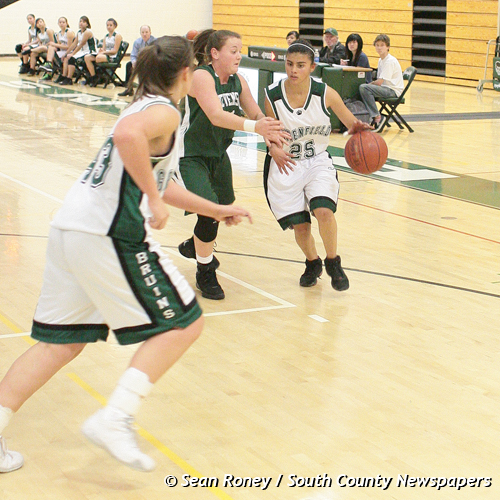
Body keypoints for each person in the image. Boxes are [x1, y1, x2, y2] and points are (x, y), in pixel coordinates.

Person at [0, 35, 251, 474]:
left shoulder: (143, 105)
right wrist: (151, 198)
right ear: (186, 73)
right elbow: (127, 138)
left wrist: (214, 209)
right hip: (109, 231)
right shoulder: (164, 111)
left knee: (61, 343)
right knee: (184, 324)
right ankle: (114, 418)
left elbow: (161, 179)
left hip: (71, 227)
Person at [177, 29, 287, 301]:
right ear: (215, 53)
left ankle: (195, 245)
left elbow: (255, 113)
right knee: (210, 212)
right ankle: (205, 271)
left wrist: (270, 133)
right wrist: (255, 127)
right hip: (190, 155)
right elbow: (216, 115)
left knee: (220, 209)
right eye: (233, 50)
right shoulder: (202, 76)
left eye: (240, 51)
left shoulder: (238, 81)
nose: (239, 56)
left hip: (218, 155)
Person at [264, 40, 370, 290]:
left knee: (324, 211)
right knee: (301, 226)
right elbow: (270, 131)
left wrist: (362, 133)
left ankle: (333, 262)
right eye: (290, 64)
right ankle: (312, 262)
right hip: (286, 163)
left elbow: (351, 123)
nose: (293, 70)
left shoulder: (325, 93)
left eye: (300, 65)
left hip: (317, 161)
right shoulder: (273, 94)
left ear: (312, 67)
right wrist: (273, 149)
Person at [358, 34, 404, 132]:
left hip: (392, 91)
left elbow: (379, 82)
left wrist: (369, 85)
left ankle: (377, 116)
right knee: (363, 88)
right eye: (377, 45)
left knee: (364, 88)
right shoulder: (381, 60)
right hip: (386, 88)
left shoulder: (389, 61)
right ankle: (371, 116)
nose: (379, 48)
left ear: (388, 47)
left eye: (382, 45)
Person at [118, 25, 156, 96]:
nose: (144, 34)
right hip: (141, 62)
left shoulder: (155, 42)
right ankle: (129, 89)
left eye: (146, 32)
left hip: (152, 62)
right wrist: (134, 62)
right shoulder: (137, 42)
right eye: (143, 32)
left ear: (150, 33)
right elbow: (133, 55)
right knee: (129, 65)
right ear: (140, 33)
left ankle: (150, 90)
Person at [84, 18, 123, 87]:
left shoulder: (117, 36)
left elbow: (115, 51)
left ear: (115, 26)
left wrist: (104, 52)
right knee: (87, 57)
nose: (109, 27)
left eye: (110, 25)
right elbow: (103, 48)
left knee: (98, 58)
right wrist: (100, 50)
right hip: (104, 55)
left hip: (113, 56)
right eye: (107, 25)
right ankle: (94, 77)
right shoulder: (106, 36)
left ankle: (103, 76)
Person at [59, 16, 96, 86]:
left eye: (83, 22)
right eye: (80, 21)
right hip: (82, 52)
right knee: (67, 57)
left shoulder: (88, 32)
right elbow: (74, 44)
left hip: (90, 52)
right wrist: (66, 53)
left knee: (71, 58)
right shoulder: (79, 32)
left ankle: (69, 78)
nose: (81, 23)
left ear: (87, 24)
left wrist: (72, 54)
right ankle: (65, 77)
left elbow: (81, 44)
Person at [39, 17, 74, 81]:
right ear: (58, 24)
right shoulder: (59, 33)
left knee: (52, 47)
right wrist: (53, 46)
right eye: (60, 22)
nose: (61, 24)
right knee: (51, 48)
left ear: (66, 23)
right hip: (62, 51)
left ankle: (61, 74)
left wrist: (54, 44)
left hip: (69, 51)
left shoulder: (69, 32)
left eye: (63, 22)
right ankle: (49, 66)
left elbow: (69, 46)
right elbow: (59, 45)